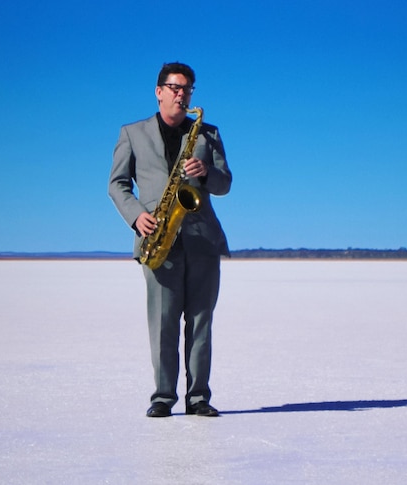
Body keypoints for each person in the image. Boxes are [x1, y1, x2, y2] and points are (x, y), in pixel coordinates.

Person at [108, 62, 232, 418]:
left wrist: (207, 173)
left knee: (200, 322)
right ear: (159, 91)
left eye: (187, 89)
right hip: (158, 239)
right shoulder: (132, 133)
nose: (182, 94)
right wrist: (136, 215)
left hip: (203, 241)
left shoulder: (207, 134)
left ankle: (198, 399)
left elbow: (225, 184)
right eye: (175, 88)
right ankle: (163, 396)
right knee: (162, 324)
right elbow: (116, 184)